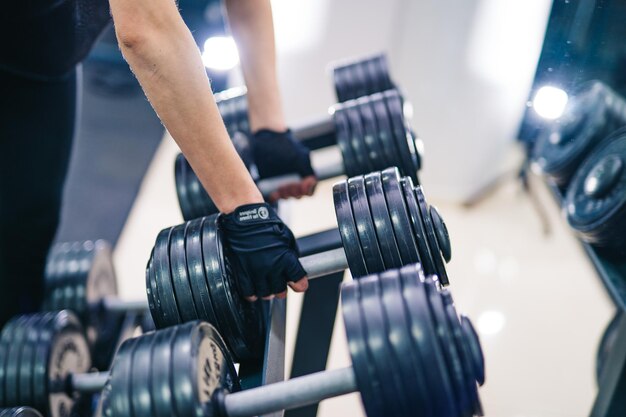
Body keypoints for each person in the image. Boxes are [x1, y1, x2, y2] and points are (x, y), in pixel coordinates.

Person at [0, 0, 317, 326]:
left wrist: (269, 128)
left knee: (25, 235)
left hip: (40, 54)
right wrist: (245, 209)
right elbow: (144, 29)